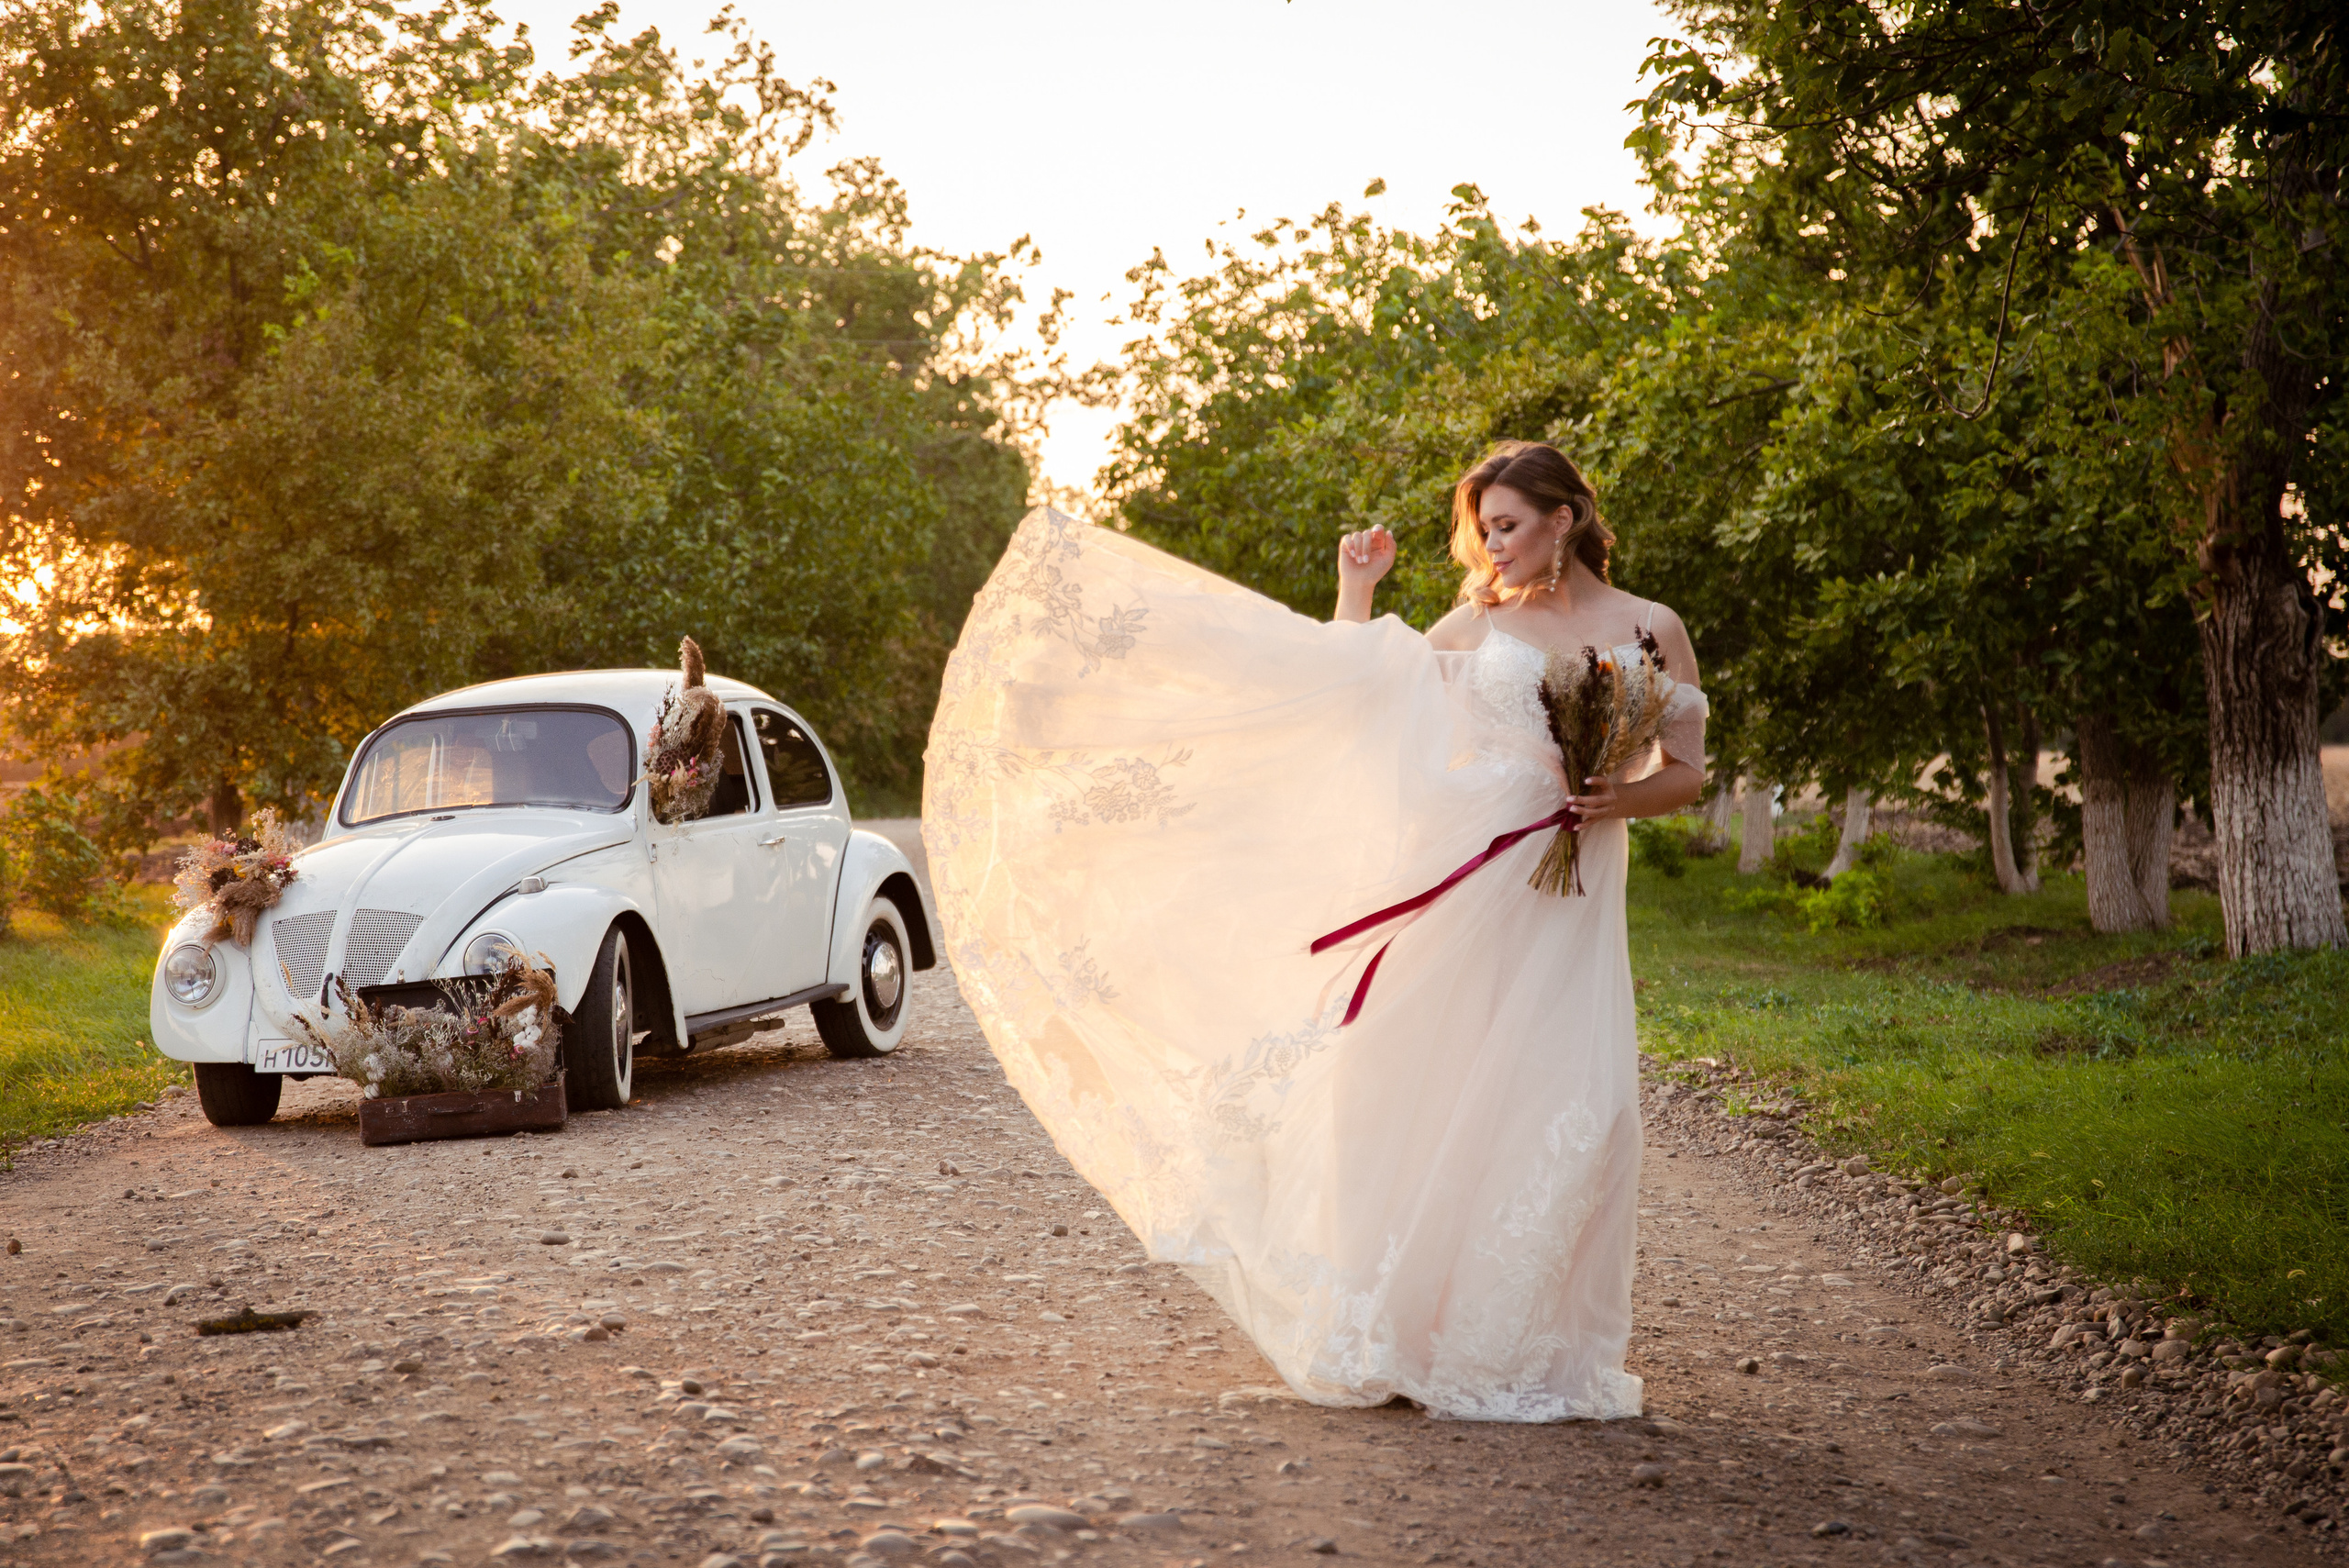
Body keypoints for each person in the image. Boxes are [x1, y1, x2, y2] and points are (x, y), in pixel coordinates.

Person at [923, 440, 1707, 1420]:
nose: (1493, 546)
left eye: (1508, 525)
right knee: (1415, 1078)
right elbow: (1360, 692)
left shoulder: (1649, 626)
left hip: (1570, 886)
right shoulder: (1480, 619)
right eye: (1484, 530)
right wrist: (1356, 589)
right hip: (1461, 870)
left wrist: (1612, 800)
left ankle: (1510, 1342)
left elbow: (1686, 772)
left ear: (1565, 518)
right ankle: (1398, 1325)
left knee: (1566, 1096)